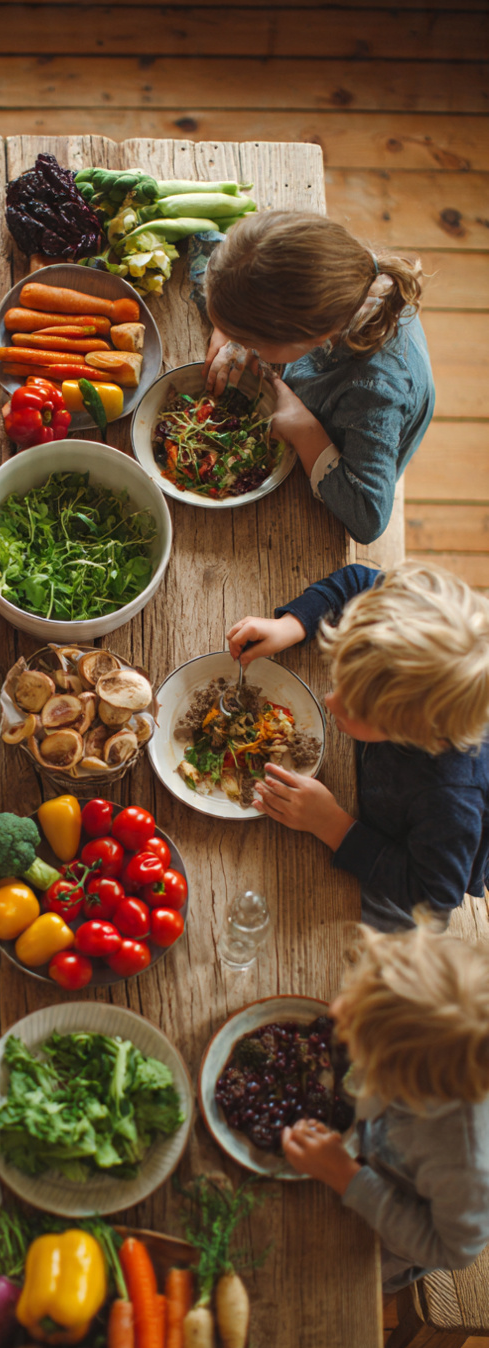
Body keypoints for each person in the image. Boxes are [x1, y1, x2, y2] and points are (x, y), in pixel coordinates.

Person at [227, 561, 489, 930]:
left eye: (352, 706)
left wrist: (334, 826)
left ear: (409, 731)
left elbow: (435, 897)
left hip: (418, 853)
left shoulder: (449, 799)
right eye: (339, 675)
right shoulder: (398, 617)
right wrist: (292, 625)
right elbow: (359, 580)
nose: (329, 698)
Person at [202, 211, 435, 545]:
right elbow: (231, 254)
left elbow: (368, 519)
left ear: (312, 338)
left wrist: (304, 429)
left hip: (353, 437)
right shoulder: (324, 269)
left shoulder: (374, 391)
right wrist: (227, 325)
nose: (245, 346)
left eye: (254, 342)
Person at [282, 923, 489, 1293]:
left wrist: (346, 1176)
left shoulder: (465, 1166)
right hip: (366, 1150)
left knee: (318, 1287)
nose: (336, 1009)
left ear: (406, 1082)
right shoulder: (418, 1052)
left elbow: (453, 1251)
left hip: (387, 1232)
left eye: (357, 1026)